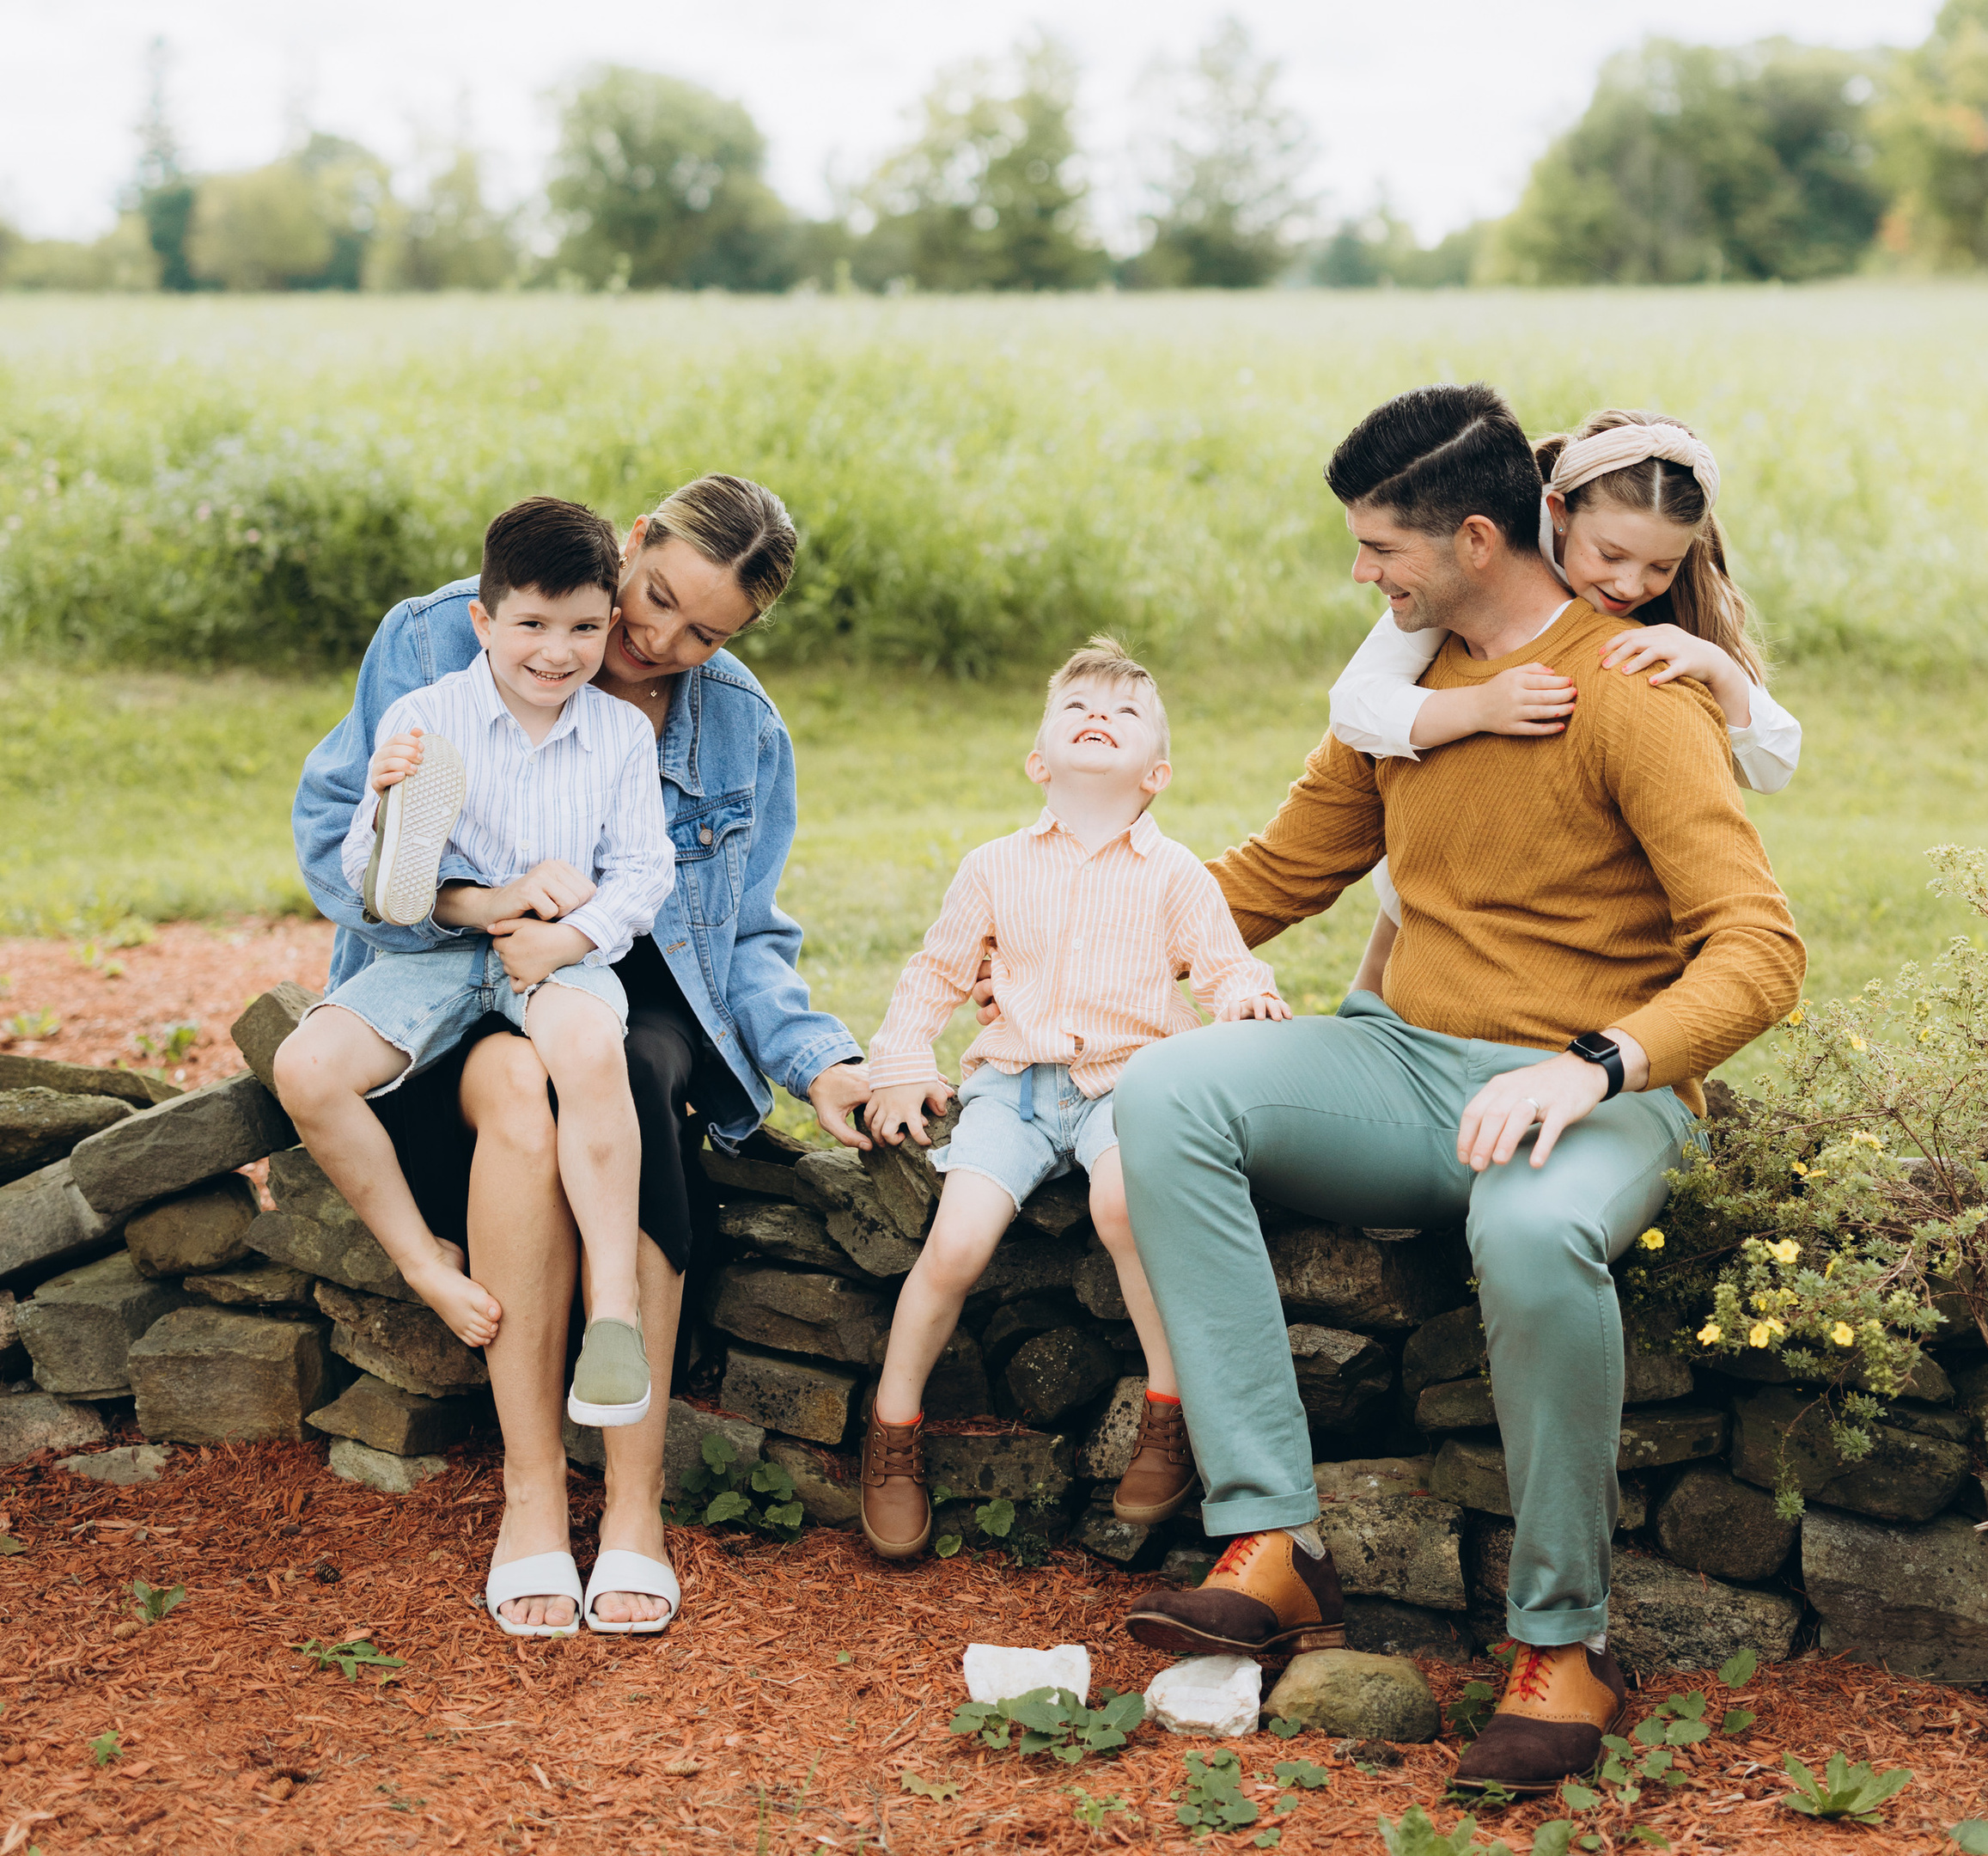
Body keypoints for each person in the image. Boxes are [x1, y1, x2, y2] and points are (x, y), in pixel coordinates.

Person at [1113, 386, 1804, 1800]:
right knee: (1174, 1092)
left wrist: (1595, 1063)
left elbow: (1761, 954)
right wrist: (1067, 950)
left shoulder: (1635, 693)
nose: (1365, 574)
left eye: (1383, 549)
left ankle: (1563, 1643)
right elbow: (1273, 874)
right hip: (1403, 1059)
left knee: (1529, 1235)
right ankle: (1273, 1547)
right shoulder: (1404, 693)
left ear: (1478, 538)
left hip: (1595, 1086)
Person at [294, 473, 870, 1639]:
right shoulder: (442, 634)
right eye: (651, 598)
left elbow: (743, 931)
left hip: (616, 974)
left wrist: (825, 1062)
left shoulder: (736, 725)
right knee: (513, 1086)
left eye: (705, 633)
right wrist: (475, 902)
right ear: (632, 543)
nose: (655, 641)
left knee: (631, 1073)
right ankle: (533, 1494)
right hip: (448, 957)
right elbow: (335, 848)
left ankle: (637, 1506)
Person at [851, 637, 1290, 1562]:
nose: (1101, 716)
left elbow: (1223, 967)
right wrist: (897, 1060)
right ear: (1038, 761)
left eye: (1125, 713)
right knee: (958, 1240)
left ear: (1157, 773)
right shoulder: (993, 867)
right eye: (1078, 708)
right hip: (1012, 1088)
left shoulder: (1178, 877)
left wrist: (1247, 996)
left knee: (1125, 1203)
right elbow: (935, 973)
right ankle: (892, 1430)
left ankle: (1167, 1418)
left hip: (1127, 1087)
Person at [276, 497, 674, 1439]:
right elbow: (373, 888)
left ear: (609, 625)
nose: (557, 651)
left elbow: (644, 870)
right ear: (482, 622)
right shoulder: (423, 718)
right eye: (531, 624)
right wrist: (380, 808)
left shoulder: (618, 734)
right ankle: (423, 1259)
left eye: (584, 627)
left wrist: (572, 941)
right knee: (305, 1068)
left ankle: (611, 1311)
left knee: (588, 1047)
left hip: (552, 951)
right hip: (444, 947)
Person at [1337, 407, 1801, 1002]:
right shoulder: (1479, 578)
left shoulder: (1672, 629)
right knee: (1410, 912)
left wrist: (1719, 670)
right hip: (1444, 857)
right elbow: (1356, 705)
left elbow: (1775, 763)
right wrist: (1480, 706)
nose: (1632, 585)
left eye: (1662, 565)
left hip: (1589, 865)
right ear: (1556, 514)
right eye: (1610, 556)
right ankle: (1369, 1016)